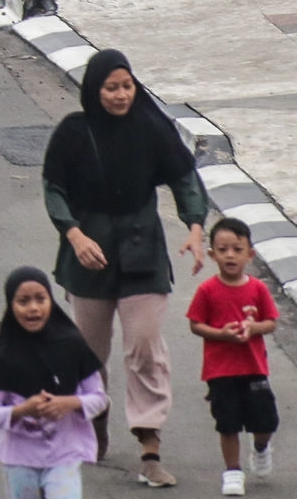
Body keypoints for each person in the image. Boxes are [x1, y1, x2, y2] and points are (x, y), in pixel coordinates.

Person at [45, 50, 210, 484]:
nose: (120, 95)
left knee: (144, 347)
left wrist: (195, 227)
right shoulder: (73, 133)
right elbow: (54, 189)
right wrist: (75, 235)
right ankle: (95, 416)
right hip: (89, 255)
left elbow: (184, 177)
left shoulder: (152, 128)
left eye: (127, 86)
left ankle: (149, 445)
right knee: (89, 352)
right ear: (94, 90)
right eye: (111, 87)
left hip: (143, 250)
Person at [0, 268, 107, 499]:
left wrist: (69, 402)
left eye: (41, 299)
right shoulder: (6, 354)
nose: (33, 308)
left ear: (51, 300)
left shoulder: (73, 345)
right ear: (11, 305)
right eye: (23, 301)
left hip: (64, 454)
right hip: (20, 458)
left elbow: (99, 399)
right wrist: (22, 410)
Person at [188, 218, 280, 497]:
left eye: (237, 249)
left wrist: (253, 328)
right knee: (227, 423)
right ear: (213, 254)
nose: (230, 255)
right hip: (220, 371)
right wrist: (219, 334)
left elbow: (271, 322)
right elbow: (195, 324)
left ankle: (261, 447)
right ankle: (232, 471)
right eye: (223, 249)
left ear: (249, 254)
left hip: (254, 368)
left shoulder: (258, 289)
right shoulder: (207, 290)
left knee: (265, 422)